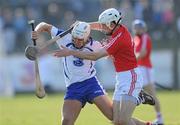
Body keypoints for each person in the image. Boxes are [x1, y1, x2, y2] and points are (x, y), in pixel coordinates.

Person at [53, 8, 156, 125]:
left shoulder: (119, 38)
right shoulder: (117, 29)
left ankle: (137, 97)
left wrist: (71, 52)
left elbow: (95, 56)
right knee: (116, 120)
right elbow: (99, 25)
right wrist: (84, 25)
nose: (102, 28)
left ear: (112, 24)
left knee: (123, 121)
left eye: (105, 26)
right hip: (121, 78)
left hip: (131, 77)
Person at [132, 19, 164, 125]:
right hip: (139, 68)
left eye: (140, 28)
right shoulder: (135, 38)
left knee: (152, 94)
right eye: (136, 28)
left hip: (145, 68)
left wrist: (131, 61)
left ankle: (160, 118)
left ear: (144, 28)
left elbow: (143, 53)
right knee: (135, 91)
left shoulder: (145, 37)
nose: (138, 30)